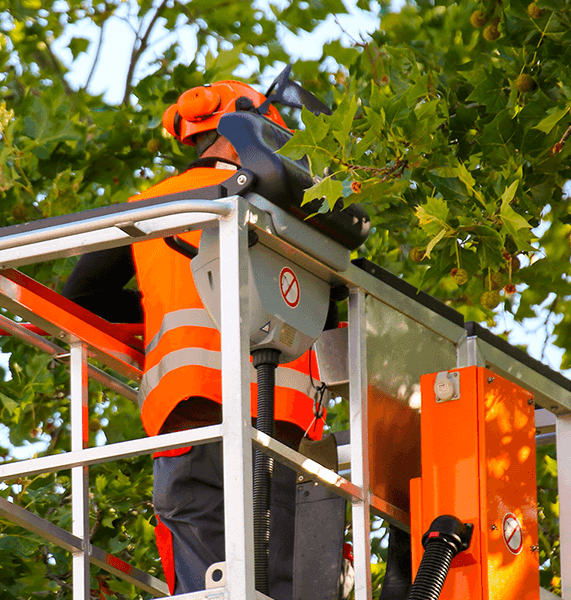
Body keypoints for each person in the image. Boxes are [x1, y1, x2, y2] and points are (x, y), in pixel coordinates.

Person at [62, 77, 333, 600]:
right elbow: (327, 312)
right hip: (281, 430)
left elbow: (81, 296)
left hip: (194, 417)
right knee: (276, 582)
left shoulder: (155, 205)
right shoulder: (298, 215)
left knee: (210, 585)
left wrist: (155, 304)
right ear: (246, 126)